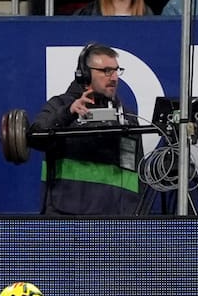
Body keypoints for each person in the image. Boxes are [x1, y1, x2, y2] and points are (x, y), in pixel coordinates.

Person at [27, 43, 141, 215]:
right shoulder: (61, 106)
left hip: (116, 224)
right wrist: (68, 113)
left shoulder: (127, 117)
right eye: (106, 71)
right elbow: (35, 136)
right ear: (85, 75)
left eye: (117, 70)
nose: (114, 77)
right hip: (67, 221)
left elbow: (136, 172)